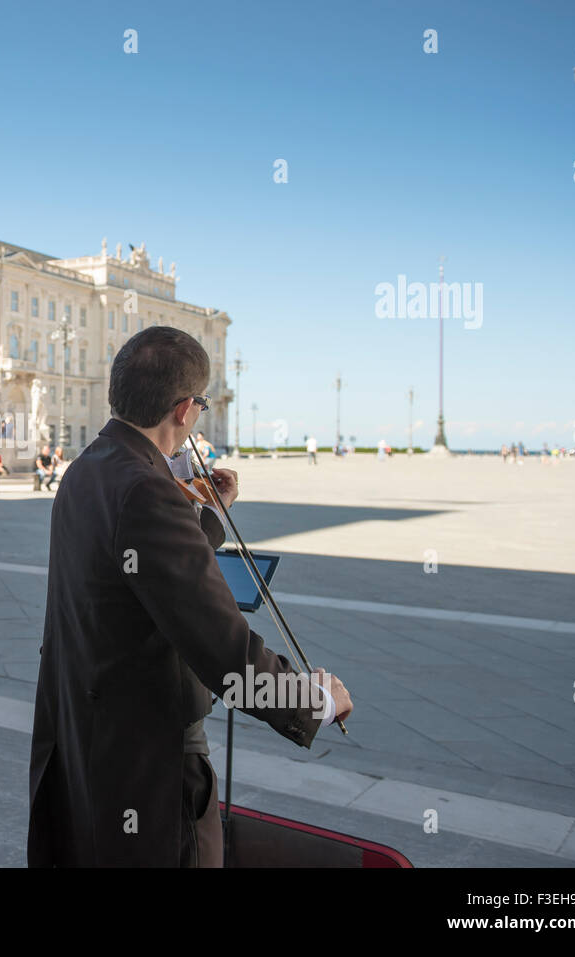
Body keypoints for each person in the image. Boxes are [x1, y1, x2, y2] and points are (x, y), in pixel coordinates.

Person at [28, 326, 352, 868]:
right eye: (198, 404)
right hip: (146, 761)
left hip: (83, 737)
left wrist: (203, 516)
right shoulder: (147, 491)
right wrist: (313, 701)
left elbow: (142, 571)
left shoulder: (86, 468)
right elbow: (225, 652)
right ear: (185, 409)